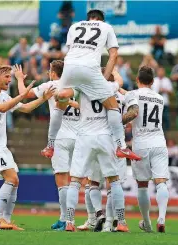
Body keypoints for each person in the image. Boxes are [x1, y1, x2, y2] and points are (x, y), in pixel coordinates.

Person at [42, 9, 140, 161]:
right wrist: (105, 79)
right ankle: (122, 147)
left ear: (88, 18)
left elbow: (71, 50)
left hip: (69, 67)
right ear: (101, 20)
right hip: (90, 68)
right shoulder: (106, 27)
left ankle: (50, 145)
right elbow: (113, 55)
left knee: (60, 104)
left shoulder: (75, 26)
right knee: (112, 106)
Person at [0, 64, 55, 230]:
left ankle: (6, 220)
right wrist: (23, 94)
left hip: (0, 146)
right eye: (6, 76)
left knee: (15, 180)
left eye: (11, 77)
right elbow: (2, 108)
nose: (9, 80)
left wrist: (44, 98)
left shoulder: (4, 95)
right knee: (11, 178)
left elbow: (25, 108)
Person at [63, 69, 132, 232]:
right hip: (104, 137)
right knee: (114, 181)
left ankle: (69, 221)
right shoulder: (109, 87)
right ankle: (121, 221)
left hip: (85, 136)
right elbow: (120, 83)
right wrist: (114, 72)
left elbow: (65, 94)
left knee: (75, 181)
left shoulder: (81, 86)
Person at [17, 61, 79, 231]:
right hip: (79, 137)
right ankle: (68, 218)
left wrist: (19, 79)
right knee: (77, 180)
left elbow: (23, 94)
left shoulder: (52, 85)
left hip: (60, 137)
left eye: (50, 71)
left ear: (53, 73)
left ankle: (67, 220)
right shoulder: (76, 86)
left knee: (62, 180)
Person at [130, 66, 169, 233]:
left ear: (137, 80)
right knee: (161, 181)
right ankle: (161, 217)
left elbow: (130, 101)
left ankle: (147, 222)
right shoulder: (160, 98)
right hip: (159, 141)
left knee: (142, 184)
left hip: (141, 143)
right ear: (153, 82)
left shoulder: (133, 95)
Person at [152, 66, 173, 131]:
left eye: (162, 71)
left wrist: (165, 90)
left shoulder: (167, 80)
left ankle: (167, 130)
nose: (161, 72)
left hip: (165, 102)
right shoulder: (154, 80)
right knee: (156, 117)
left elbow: (171, 92)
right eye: (159, 71)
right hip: (156, 102)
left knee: (166, 117)